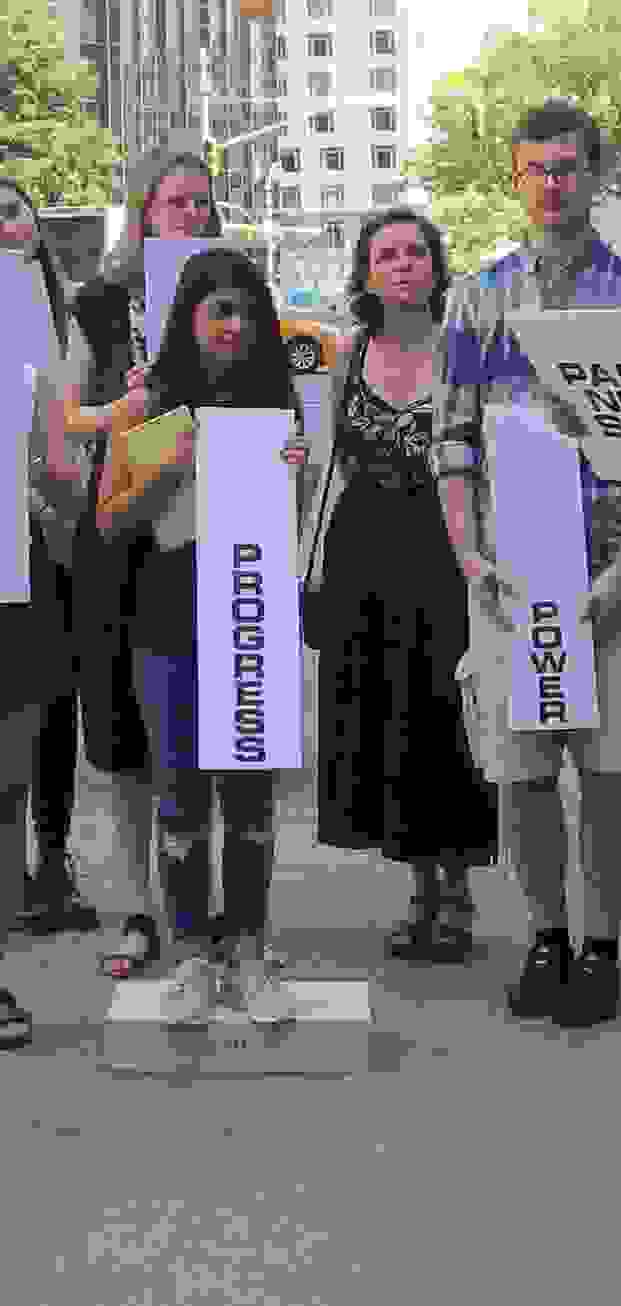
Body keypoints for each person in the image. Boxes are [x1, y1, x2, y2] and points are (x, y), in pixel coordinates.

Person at [432, 99, 621, 1029]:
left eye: (567, 166)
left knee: (606, 771)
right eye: (534, 168)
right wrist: (467, 555)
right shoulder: (477, 297)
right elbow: (450, 440)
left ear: (595, 175)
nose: (551, 184)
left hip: (608, 570)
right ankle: (543, 935)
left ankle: (602, 943)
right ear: (515, 178)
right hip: (511, 575)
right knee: (522, 773)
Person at [20, 149, 223, 987]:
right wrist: (121, 409)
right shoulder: (96, 305)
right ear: (141, 212)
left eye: (201, 203)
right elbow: (58, 420)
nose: (187, 216)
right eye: (172, 202)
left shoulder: (230, 298)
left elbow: (270, 406)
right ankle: (140, 910)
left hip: (201, 542)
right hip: (110, 541)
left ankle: (206, 913)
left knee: (201, 739)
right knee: (123, 741)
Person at [96, 248, 309, 1025]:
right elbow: (109, 518)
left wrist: (302, 471)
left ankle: (248, 952)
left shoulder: (277, 406)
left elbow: (301, 523)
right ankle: (191, 956)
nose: (234, 324)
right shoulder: (149, 405)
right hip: (170, 625)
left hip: (253, 617)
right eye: (219, 309)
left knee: (249, 801)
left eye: (248, 311)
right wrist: (163, 469)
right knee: (181, 799)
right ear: (188, 318)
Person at [301, 208, 499, 962]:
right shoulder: (348, 357)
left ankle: (458, 890)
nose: (403, 263)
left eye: (417, 251)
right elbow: (330, 468)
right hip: (363, 551)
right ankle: (421, 887)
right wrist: (311, 566)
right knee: (388, 719)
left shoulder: (465, 349)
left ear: (436, 264)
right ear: (365, 271)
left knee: (446, 712)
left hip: (445, 549)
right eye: (386, 253)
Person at [0, 179, 89, 1046]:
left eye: (15, 206)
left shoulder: (43, 317)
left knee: (10, 772)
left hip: (30, 564)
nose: (6, 220)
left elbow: (59, 462)